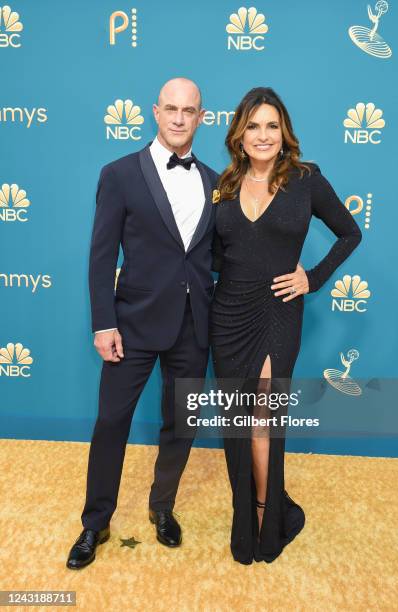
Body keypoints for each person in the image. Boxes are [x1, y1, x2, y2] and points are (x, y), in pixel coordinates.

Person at [66, 78, 218, 569]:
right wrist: (102, 322)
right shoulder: (119, 174)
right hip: (130, 323)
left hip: (194, 324)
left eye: (188, 110)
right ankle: (95, 522)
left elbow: (217, 255)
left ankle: (163, 506)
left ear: (201, 117)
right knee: (112, 422)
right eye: (171, 109)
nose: (178, 118)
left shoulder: (216, 182)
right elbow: (101, 253)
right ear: (155, 112)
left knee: (182, 424)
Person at [210, 87, 362, 565]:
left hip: (278, 313)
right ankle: (251, 512)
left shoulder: (306, 181)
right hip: (228, 314)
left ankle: (265, 517)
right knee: (237, 422)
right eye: (253, 126)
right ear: (239, 133)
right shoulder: (224, 186)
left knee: (262, 422)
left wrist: (312, 279)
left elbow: (350, 232)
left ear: (285, 132)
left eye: (272, 126)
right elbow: (215, 256)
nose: (263, 135)